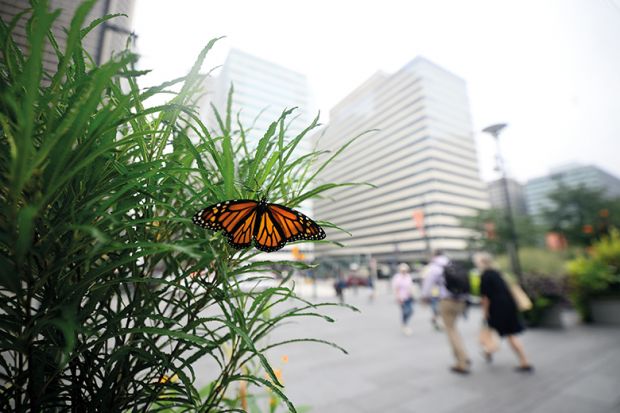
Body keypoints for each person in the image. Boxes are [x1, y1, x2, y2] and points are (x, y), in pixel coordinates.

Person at [473, 252, 534, 372]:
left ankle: (524, 361)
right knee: (498, 332)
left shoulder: (485, 276)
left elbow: (485, 298)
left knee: (507, 334)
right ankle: (488, 352)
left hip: (497, 309)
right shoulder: (498, 273)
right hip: (508, 306)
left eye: (478, 261)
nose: (476, 263)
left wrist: (485, 313)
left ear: (482, 262)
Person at [421, 250, 471, 374]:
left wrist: (424, 298)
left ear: (434, 255)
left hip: (447, 301)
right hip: (461, 301)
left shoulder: (434, 267)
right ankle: (464, 355)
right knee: (454, 328)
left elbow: (427, 285)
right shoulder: (452, 263)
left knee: (450, 330)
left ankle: (462, 362)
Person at [392, 263, 415, 336]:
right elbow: (396, 288)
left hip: (409, 297)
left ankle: (404, 323)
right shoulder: (397, 277)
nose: (404, 271)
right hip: (401, 298)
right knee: (405, 311)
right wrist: (398, 298)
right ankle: (405, 325)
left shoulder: (408, 276)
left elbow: (411, 286)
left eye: (405, 270)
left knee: (410, 311)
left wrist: (412, 294)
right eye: (402, 270)